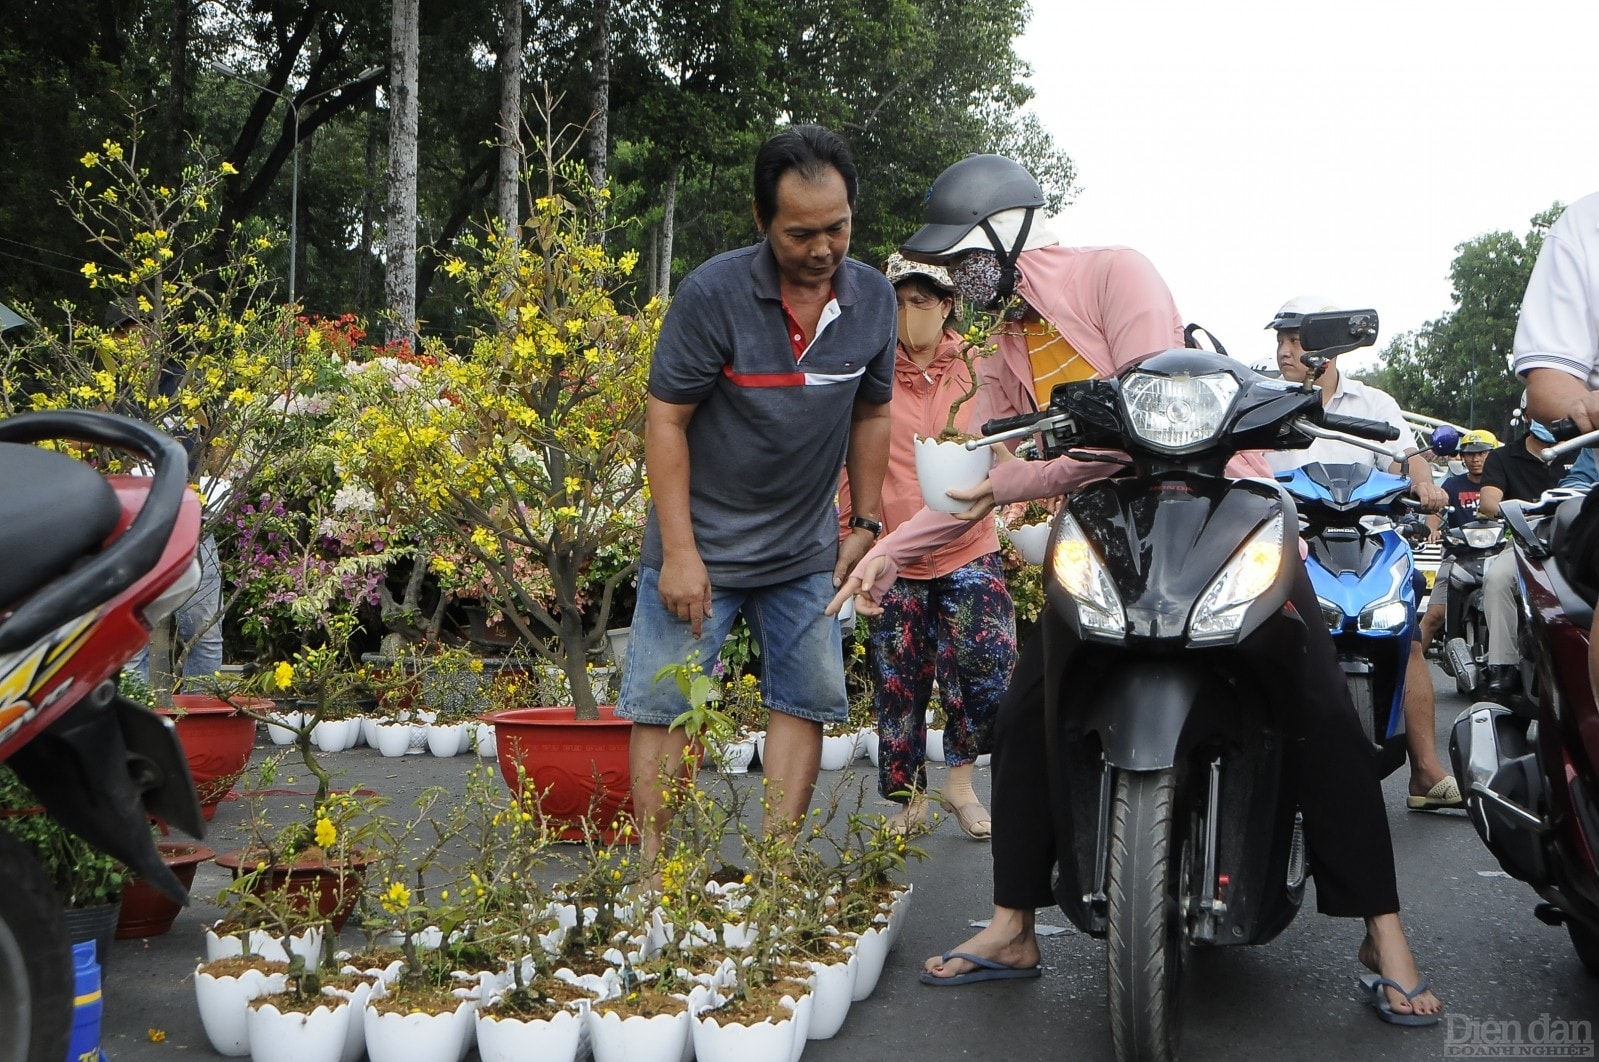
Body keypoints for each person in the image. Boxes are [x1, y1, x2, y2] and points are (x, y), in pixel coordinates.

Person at [829, 154, 1442, 1023]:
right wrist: (891, 547)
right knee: (1024, 704)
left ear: (1008, 236)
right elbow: (992, 473)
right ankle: (1012, 923)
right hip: (1107, 531)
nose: (959, 278)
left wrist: (1012, 480)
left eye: (965, 257)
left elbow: (1153, 420)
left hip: (1221, 508)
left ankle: (1383, 930)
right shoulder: (1003, 350)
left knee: (1317, 698)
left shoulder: (1114, 273)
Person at [616, 125, 897, 863]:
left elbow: (871, 411)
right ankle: (654, 870)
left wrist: (863, 520)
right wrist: (679, 552)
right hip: (699, 543)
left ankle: (774, 870)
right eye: (800, 232)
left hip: (804, 548)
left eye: (837, 228)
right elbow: (667, 420)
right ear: (760, 219)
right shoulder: (714, 293)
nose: (822, 248)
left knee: (804, 697)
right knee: (667, 704)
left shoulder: (872, 299)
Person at [837, 255, 1017, 838]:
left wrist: (1014, 477)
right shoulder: (872, 371)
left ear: (947, 306)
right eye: (900, 301)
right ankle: (908, 797)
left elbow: (1004, 440)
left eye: (923, 301)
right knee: (899, 675)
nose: (911, 313)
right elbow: (850, 459)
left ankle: (961, 782)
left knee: (982, 664)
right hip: (895, 551)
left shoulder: (977, 365)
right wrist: (855, 534)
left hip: (968, 542)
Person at [1264, 296, 1458, 812]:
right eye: (1281, 339)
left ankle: (1424, 771)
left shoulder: (1374, 404)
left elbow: (1411, 456)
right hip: (1292, 544)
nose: (1285, 350)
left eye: (1296, 339)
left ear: (1328, 348)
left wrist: (1426, 486)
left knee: (1408, 636)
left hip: (1369, 541)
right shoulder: (1261, 401)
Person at [1476, 419, 1577, 694]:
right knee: (1497, 578)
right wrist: (1521, 510)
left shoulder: (1583, 452)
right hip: (1528, 538)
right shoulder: (1502, 457)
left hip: (1577, 540)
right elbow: (1488, 502)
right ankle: (1502, 666)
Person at [1415, 429, 1496, 654]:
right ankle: (1409, 669)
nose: (1475, 459)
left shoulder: (1501, 483)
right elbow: (1436, 509)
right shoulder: (1452, 485)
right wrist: (1431, 529)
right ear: (1462, 457)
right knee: (1433, 616)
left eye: (1482, 453)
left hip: (1497, 556)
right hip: (1458, 556)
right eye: (1470, 454)